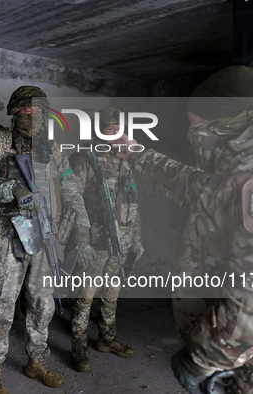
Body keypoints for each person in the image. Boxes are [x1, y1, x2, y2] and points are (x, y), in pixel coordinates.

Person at [118, 66, 253, 393]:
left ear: (220, 124)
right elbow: (190, 184)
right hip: (251, 362)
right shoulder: (250, 166)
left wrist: (201, 360)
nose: (191, 134)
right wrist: (133, 151)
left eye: (193, 124)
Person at [0, 86, 89, 393]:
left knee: (42, 304)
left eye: (38, 112)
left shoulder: (53, 148)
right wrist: (13, 190)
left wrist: (82, 225)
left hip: (44, 235)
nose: (32, 117)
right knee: (1, 305)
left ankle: (37, 359)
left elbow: (70, 189)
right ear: (14, 112)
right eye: (26, 111)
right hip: (10, 235)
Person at [67, 107, 143, 372]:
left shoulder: (126, 161)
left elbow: (133, 204)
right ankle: (78, 346)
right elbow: (72, 202)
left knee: (111, 293)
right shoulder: (85, 158)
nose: (115, 135)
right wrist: (82, 241)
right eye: (110, 130)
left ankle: (106, 339)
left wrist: (136, 238)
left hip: (120, 240)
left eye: (119, 130)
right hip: (95, 239)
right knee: (85, 296)